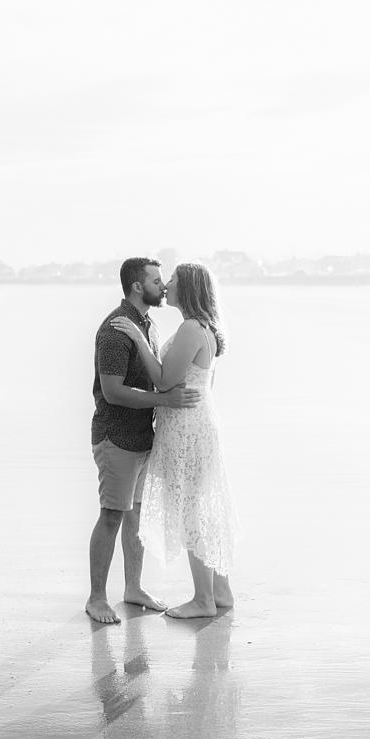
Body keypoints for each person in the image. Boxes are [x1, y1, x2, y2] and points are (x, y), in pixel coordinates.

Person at [111, 262, 240, 619]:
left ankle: (203, 600)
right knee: (200, 507)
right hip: (198, 423)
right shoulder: (205, 328)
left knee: (191, 511)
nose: (166, 285)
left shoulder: (189, 328)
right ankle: (220, 590)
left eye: (173, 280)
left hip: (187, 428)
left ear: (189, 289)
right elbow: (204, 385)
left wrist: (138, 340)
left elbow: (166, 381)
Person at [86, 257, 202, 625]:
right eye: (155, 280)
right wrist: (165, 400)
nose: (163, 286)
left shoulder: (146, 325)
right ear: (138, 286)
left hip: (142, 437)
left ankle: (133, 589)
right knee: (111, 516)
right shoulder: (115, 330)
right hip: (116, 437)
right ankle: (96, 598)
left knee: (134, 517)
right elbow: (113, 391)